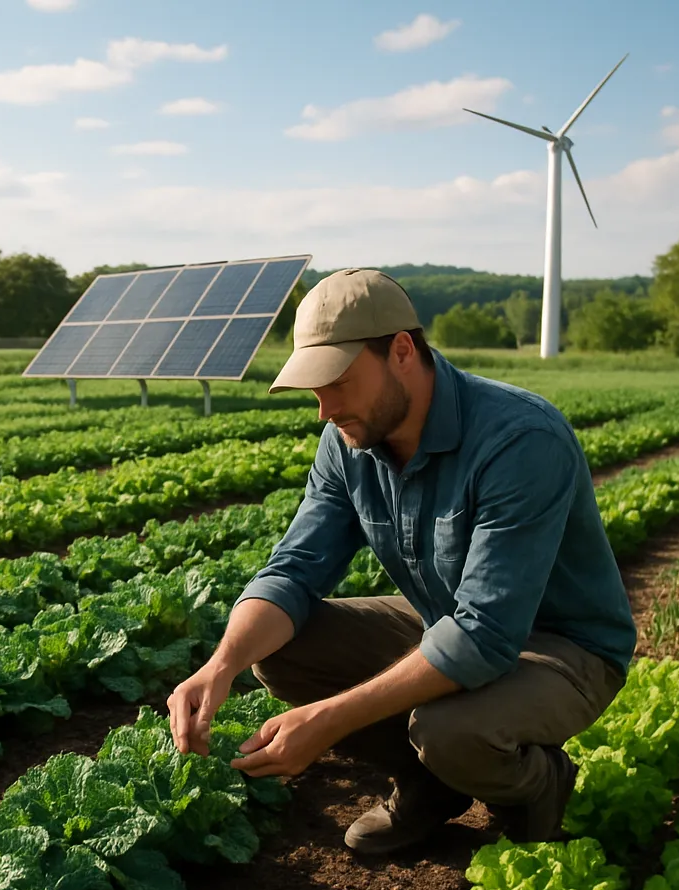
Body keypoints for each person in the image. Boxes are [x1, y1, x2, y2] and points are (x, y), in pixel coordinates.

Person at [167, 268, 637, 855]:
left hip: (562, 646)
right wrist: (221, 665)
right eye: (313, 388)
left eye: (337, 381)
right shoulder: (349, 441)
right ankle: (430, 785)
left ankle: (537, 786)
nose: (324, 409)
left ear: (402, 351)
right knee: (279, 649)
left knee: (448, 731)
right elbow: (294, 570)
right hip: (448, 619)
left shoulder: (520, 439)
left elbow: (486, 633)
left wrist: (329, 720)